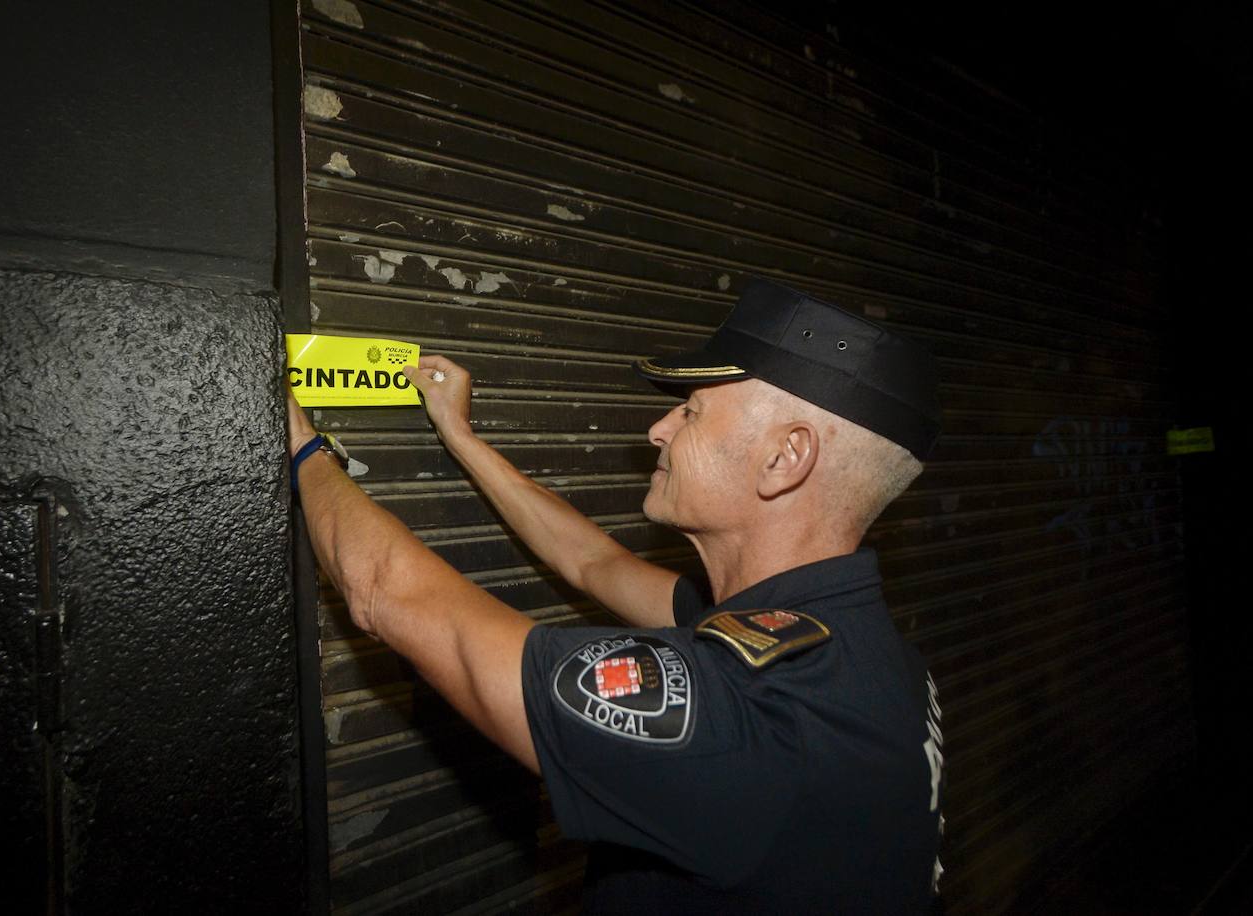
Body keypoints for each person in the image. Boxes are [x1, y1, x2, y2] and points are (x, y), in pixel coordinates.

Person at [288, 277, 945, 913]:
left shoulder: (756, 709)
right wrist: (461, 437)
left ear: (784, 458)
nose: (659, 429)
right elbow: (593, 562)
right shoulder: (832, 640)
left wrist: (301, 447)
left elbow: (384, 594)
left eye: (690, 411)